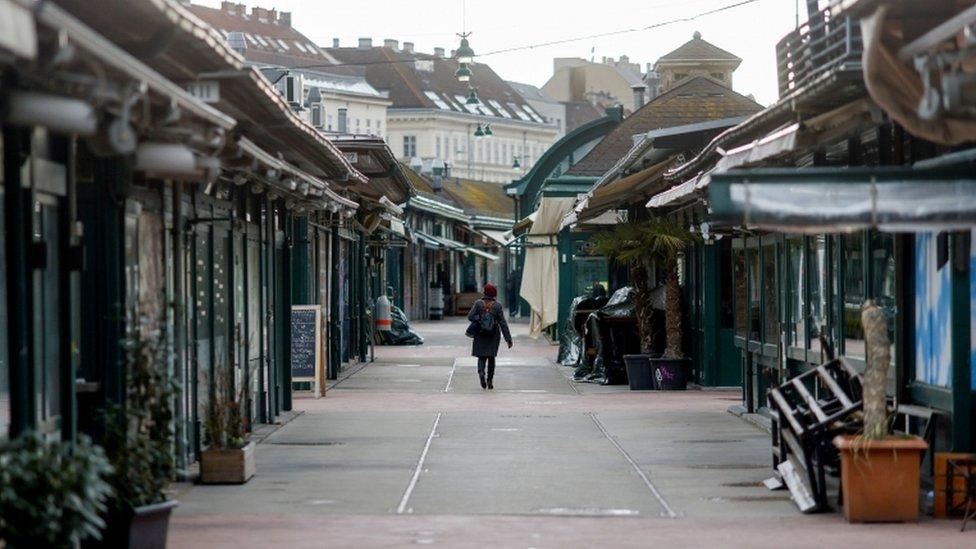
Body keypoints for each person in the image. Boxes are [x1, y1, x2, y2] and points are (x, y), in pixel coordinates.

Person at [467, 283, 512, 390]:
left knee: (481, 356)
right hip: (493, 334)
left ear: (485, 292)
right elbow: (503, 323)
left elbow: (470, 317)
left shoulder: (478, 304)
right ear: (494, 294)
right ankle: (490, 380)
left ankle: (481, 372)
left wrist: (479, 318)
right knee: (491, 357)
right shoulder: (497, 306)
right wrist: (508, 339)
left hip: (480, 333)